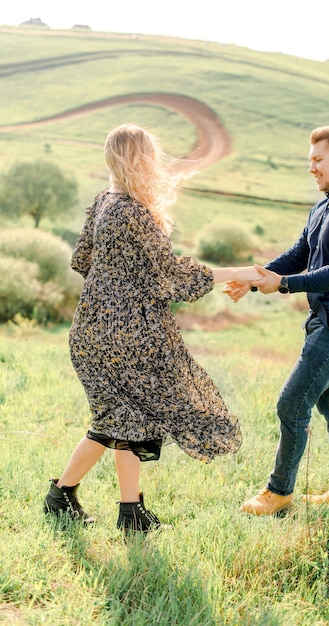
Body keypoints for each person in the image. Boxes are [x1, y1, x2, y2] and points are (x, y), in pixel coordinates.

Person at [43, 123, 262, 533]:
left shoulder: (104, 203)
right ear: (141, 161)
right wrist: (242, 271)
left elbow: (81, 260)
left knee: (119, 419)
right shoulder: (133, 212)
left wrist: (116, 278)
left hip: (90, 331)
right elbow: (172, 275)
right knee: (124, 419)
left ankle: (88, 502)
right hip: (125, 337)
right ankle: (103, 507)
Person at [224, 125, 329, 516]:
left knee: (291, 403)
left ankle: (278, 492)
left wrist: (282, 285)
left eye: (318, 160)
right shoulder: (323, 207)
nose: (311, 168)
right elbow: (299, 254)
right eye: (309, 161)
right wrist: (254, 279)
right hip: (325, 322)